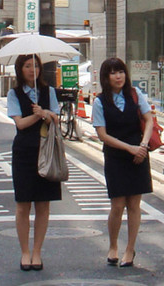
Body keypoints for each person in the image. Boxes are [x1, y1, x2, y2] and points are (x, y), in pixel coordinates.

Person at [92, 57, 153, 267]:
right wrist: (130, 148)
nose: (118, 76)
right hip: (116, 156)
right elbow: (102, 134)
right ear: (105, 77)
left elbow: (149, 120)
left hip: (139, 155)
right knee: (117, 205)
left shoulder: (135, 95)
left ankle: (130, 249)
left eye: (121, 72)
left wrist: (143, 146)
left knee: (134, 205)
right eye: (113, 72)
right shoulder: (100, 102)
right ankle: (113, 246)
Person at [7, 54, 61, 271]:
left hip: (46, 150)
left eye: (36, 65)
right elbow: (19, 124)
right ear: (20, 70)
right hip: (24, 152)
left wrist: (46, 113)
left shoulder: (48, 92)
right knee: (23, 204)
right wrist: (38, 115)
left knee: (43, 204)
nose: (32, 70)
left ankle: (37, 251)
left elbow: (55, 118)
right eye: (27, 66)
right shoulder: (14, 93)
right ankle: (25, 252)